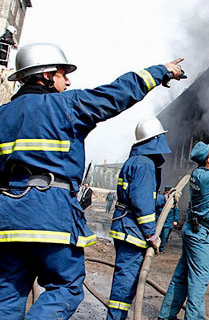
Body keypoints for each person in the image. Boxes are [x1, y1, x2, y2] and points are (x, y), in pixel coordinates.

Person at [0, 42, 184, 320]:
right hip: (51, 215)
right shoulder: (66, 106)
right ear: (47, 75)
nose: (68, 80)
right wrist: (162, 72)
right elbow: (115, 95)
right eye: (63, 73)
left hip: (7, 219)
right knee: (66, 287)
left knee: (9, 293)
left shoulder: (3, 115)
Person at [158, 140, 209, 320]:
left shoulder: (199, 174)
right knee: (198, 280)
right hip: (200, 234)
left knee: (181, 276)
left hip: (192, 230)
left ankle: (166, 315)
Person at [107, 117, 171, 320]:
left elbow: (142, 196)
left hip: (125, 227)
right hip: (132, 231)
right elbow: (142, 204)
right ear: (155, 139)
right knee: (125, 283)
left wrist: (163, 199)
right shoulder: (145, 165)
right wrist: (152, 233)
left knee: (126, 281)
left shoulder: (136, 160)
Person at [155, 187, 179, 253]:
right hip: (159, 221)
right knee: (157, 235)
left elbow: (176, 211)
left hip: (168, 222)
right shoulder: (161, 199)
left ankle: (161, 249)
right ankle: (156, 247)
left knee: (165, 236)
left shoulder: (173, 201)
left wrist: (175, 220)